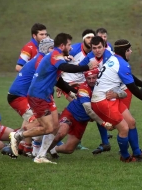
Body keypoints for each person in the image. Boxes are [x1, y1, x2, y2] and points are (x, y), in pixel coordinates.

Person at [9, 33, 98, 164]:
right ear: (62, 46)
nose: (71, 47)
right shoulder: (55, 54)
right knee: (48, 128)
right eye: (68, 45)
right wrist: (88, 66)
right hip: (38, 95)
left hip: (46, 95)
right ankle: (17, 136)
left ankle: (40, 156)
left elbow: (59, 80)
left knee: (55, 126)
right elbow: (65, 68)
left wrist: (72, 91)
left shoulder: (58, 55)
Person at [91, 39, 142, 163]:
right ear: (124, 51)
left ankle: (137, 152)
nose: (131, 51)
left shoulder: (114, 59)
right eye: (129, 50)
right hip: (101, 101)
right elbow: (131, 87)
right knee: (124, 129)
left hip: (110, 98)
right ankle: (125, 157)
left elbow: (129, 76)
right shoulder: (121, 63)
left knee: (131, 122)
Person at [48, 69, 126, 156]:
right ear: (86, 79)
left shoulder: (104, 85)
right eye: (89, 78)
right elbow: (89, 110)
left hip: (82, 121)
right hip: (71, 114)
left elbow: (124, 93)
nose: (91, 80)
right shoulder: (84, 88)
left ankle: (53, 149)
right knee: (60, 134)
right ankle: (40, 153)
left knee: (69, 149)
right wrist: (104, 124)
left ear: (98, 77)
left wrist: (116, 95)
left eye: (94, 78)